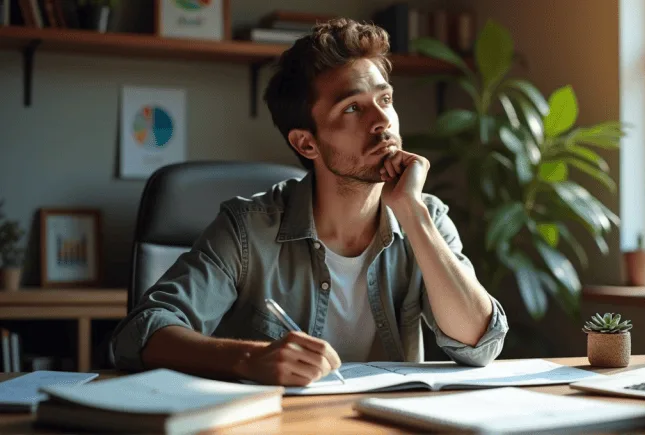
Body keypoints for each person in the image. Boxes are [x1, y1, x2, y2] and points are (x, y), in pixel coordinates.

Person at [110, 18, 508, 386]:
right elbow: (141, 331)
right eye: (352, 108)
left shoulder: (426, 217)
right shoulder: (247, 230)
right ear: (306, 142)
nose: (382, 121)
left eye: (384, 100)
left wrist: (413, 212)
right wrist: (251, 359)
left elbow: (480, 343)